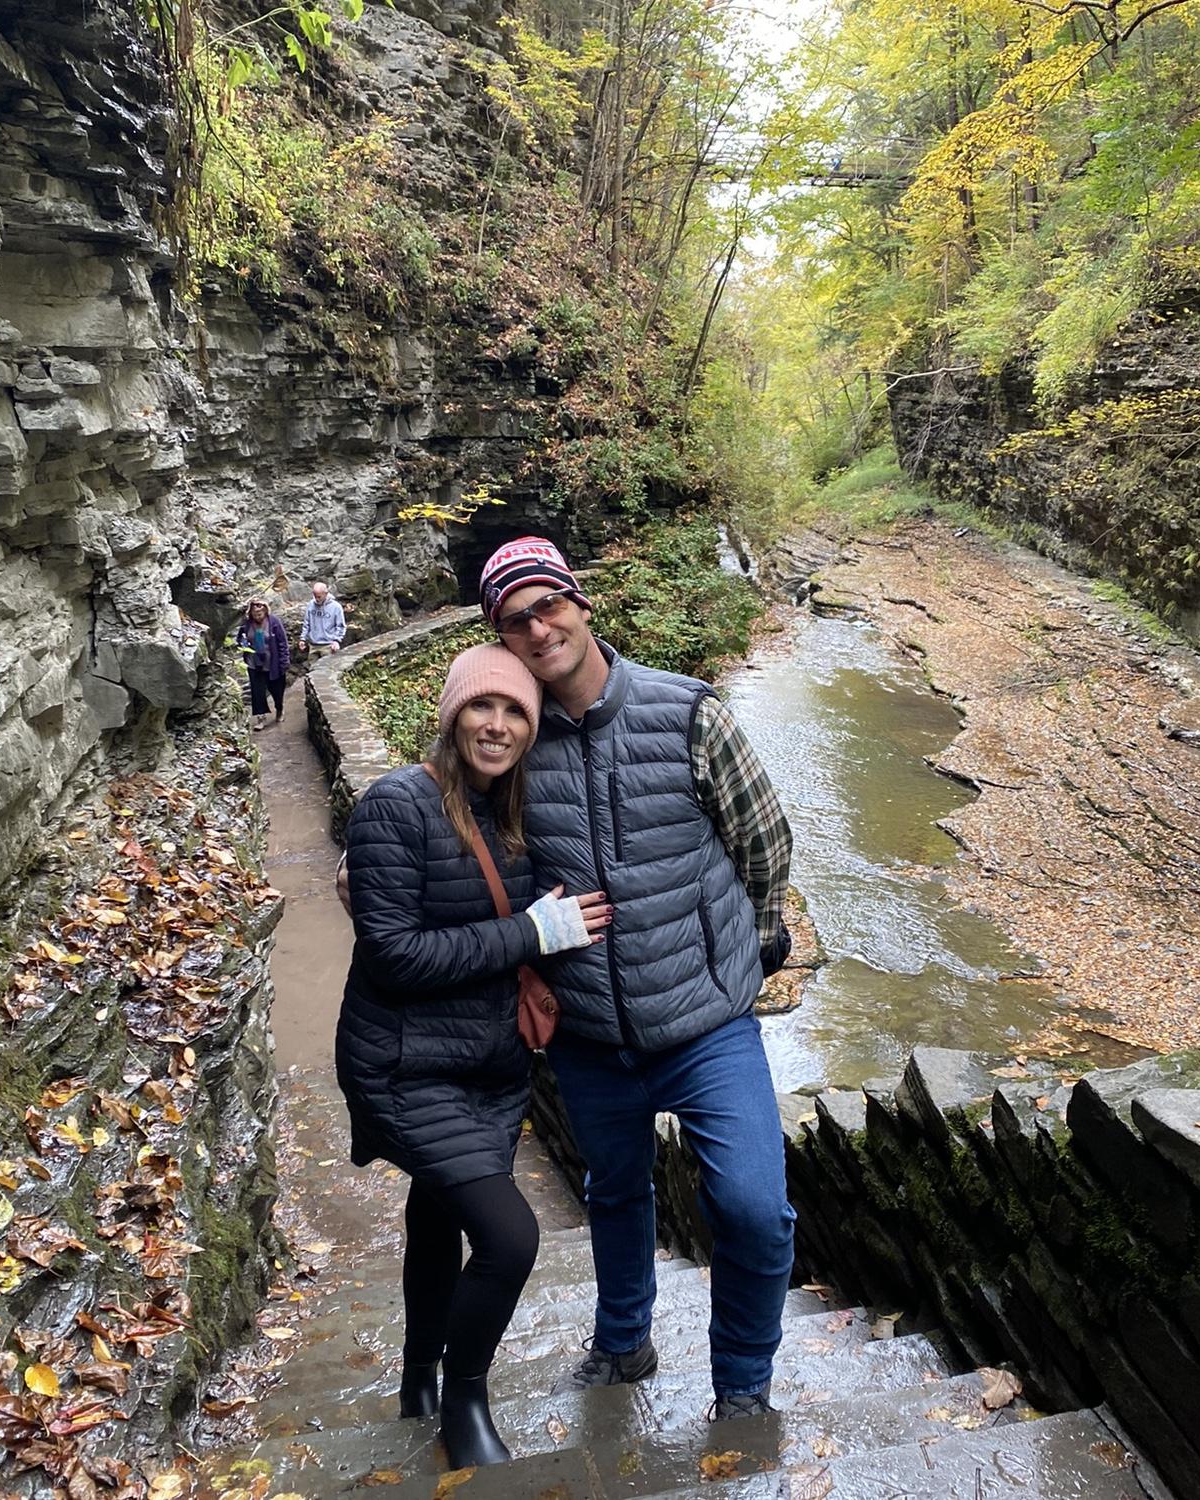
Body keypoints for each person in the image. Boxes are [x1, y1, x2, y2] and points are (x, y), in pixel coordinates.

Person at [340, 538, 798, 1421]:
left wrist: (755, 944)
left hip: (706, 1022)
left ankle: (743, 1382)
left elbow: (763, 841)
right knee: (614, 1192)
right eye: (517, 618)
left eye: (549, 603)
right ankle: (622, 1341)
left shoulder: (689, 711)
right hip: (587, 1034)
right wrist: (362, 873)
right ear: (499, 638)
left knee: (749, 1206)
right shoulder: (511, 735)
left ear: (582, 605)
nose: (539, 624)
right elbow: (445, 835)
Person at [337, 642, 612, 1469]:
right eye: (481, 708)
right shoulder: (395, 806)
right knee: (509, 1237)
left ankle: (418, 1378)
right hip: (405, 1063)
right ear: (453, 713)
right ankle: (465, 1401)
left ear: (532, 728)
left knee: (436, 1212)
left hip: (490, 1068)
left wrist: (548, 932)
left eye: (516, 712)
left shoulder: (512, 811)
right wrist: (529, 931)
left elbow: (523, 925)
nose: (496, 726)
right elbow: (395, 955)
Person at [235, 599, 289, 730]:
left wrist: (284, 661)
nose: (258, 616)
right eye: (255, 614)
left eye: (260, 614)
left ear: (265, 611)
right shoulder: (247, 625)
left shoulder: (274, 622)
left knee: (277, 690)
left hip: (272, 664)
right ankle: (260, 718)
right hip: (254, 664)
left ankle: (279, 709)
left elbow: (282, 643)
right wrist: (243, 644)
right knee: (257, 692)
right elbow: (240, 640)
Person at [301, 581, 346, 655]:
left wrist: (336, 641)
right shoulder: (311, 605)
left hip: (329, 645)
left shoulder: (336, 607)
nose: (317, 599)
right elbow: (306, 624)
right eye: (315, 596)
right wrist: (303, 639)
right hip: (313, 645)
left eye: (319, 597)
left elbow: (341, 626)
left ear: (326, 594)